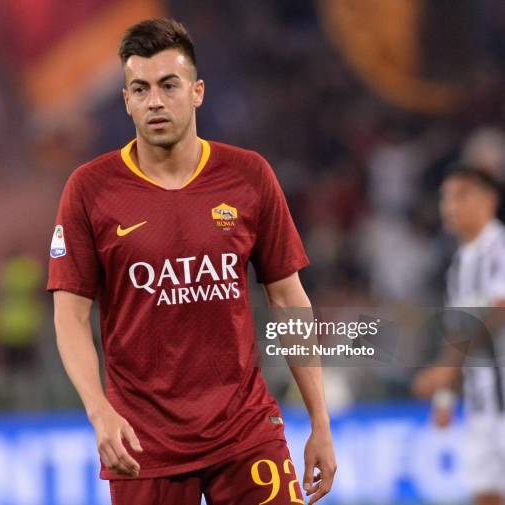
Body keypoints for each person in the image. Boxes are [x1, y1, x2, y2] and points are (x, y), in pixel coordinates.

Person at [48, 18, 336, 505]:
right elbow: (70, 316)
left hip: (246, 432)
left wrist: (321, 422)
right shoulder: (89, 189)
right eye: (140, 88)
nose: (154, 101)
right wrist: (99, 412)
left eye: (168, 85)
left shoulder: (248, 176)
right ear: (126, 100)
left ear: (198, 92)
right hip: (142, 445)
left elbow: (289, 299)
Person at [413, 165, 505, 505]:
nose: (450, 205)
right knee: (485, 494)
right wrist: (445, 397)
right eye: (446, 197)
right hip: (482, 402)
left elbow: (499, 307)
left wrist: (447, 368)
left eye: (462, 195)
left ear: (489, 201)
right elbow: (457, 331)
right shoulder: (459, 266)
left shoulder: (499, 247)